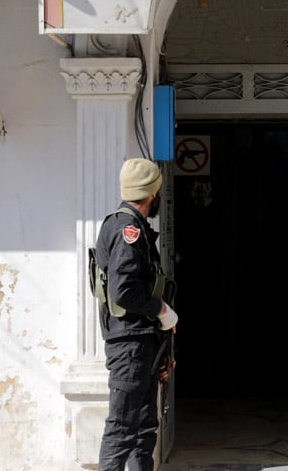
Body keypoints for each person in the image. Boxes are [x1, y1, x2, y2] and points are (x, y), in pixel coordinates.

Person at [96, 158, 177, 471]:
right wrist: (162, 310)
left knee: (143, 429)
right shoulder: (127, 229)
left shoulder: (133, 227)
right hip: (129, 344)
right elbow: (124, 290)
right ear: (153, 194)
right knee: (121, 429)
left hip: (141, 344)